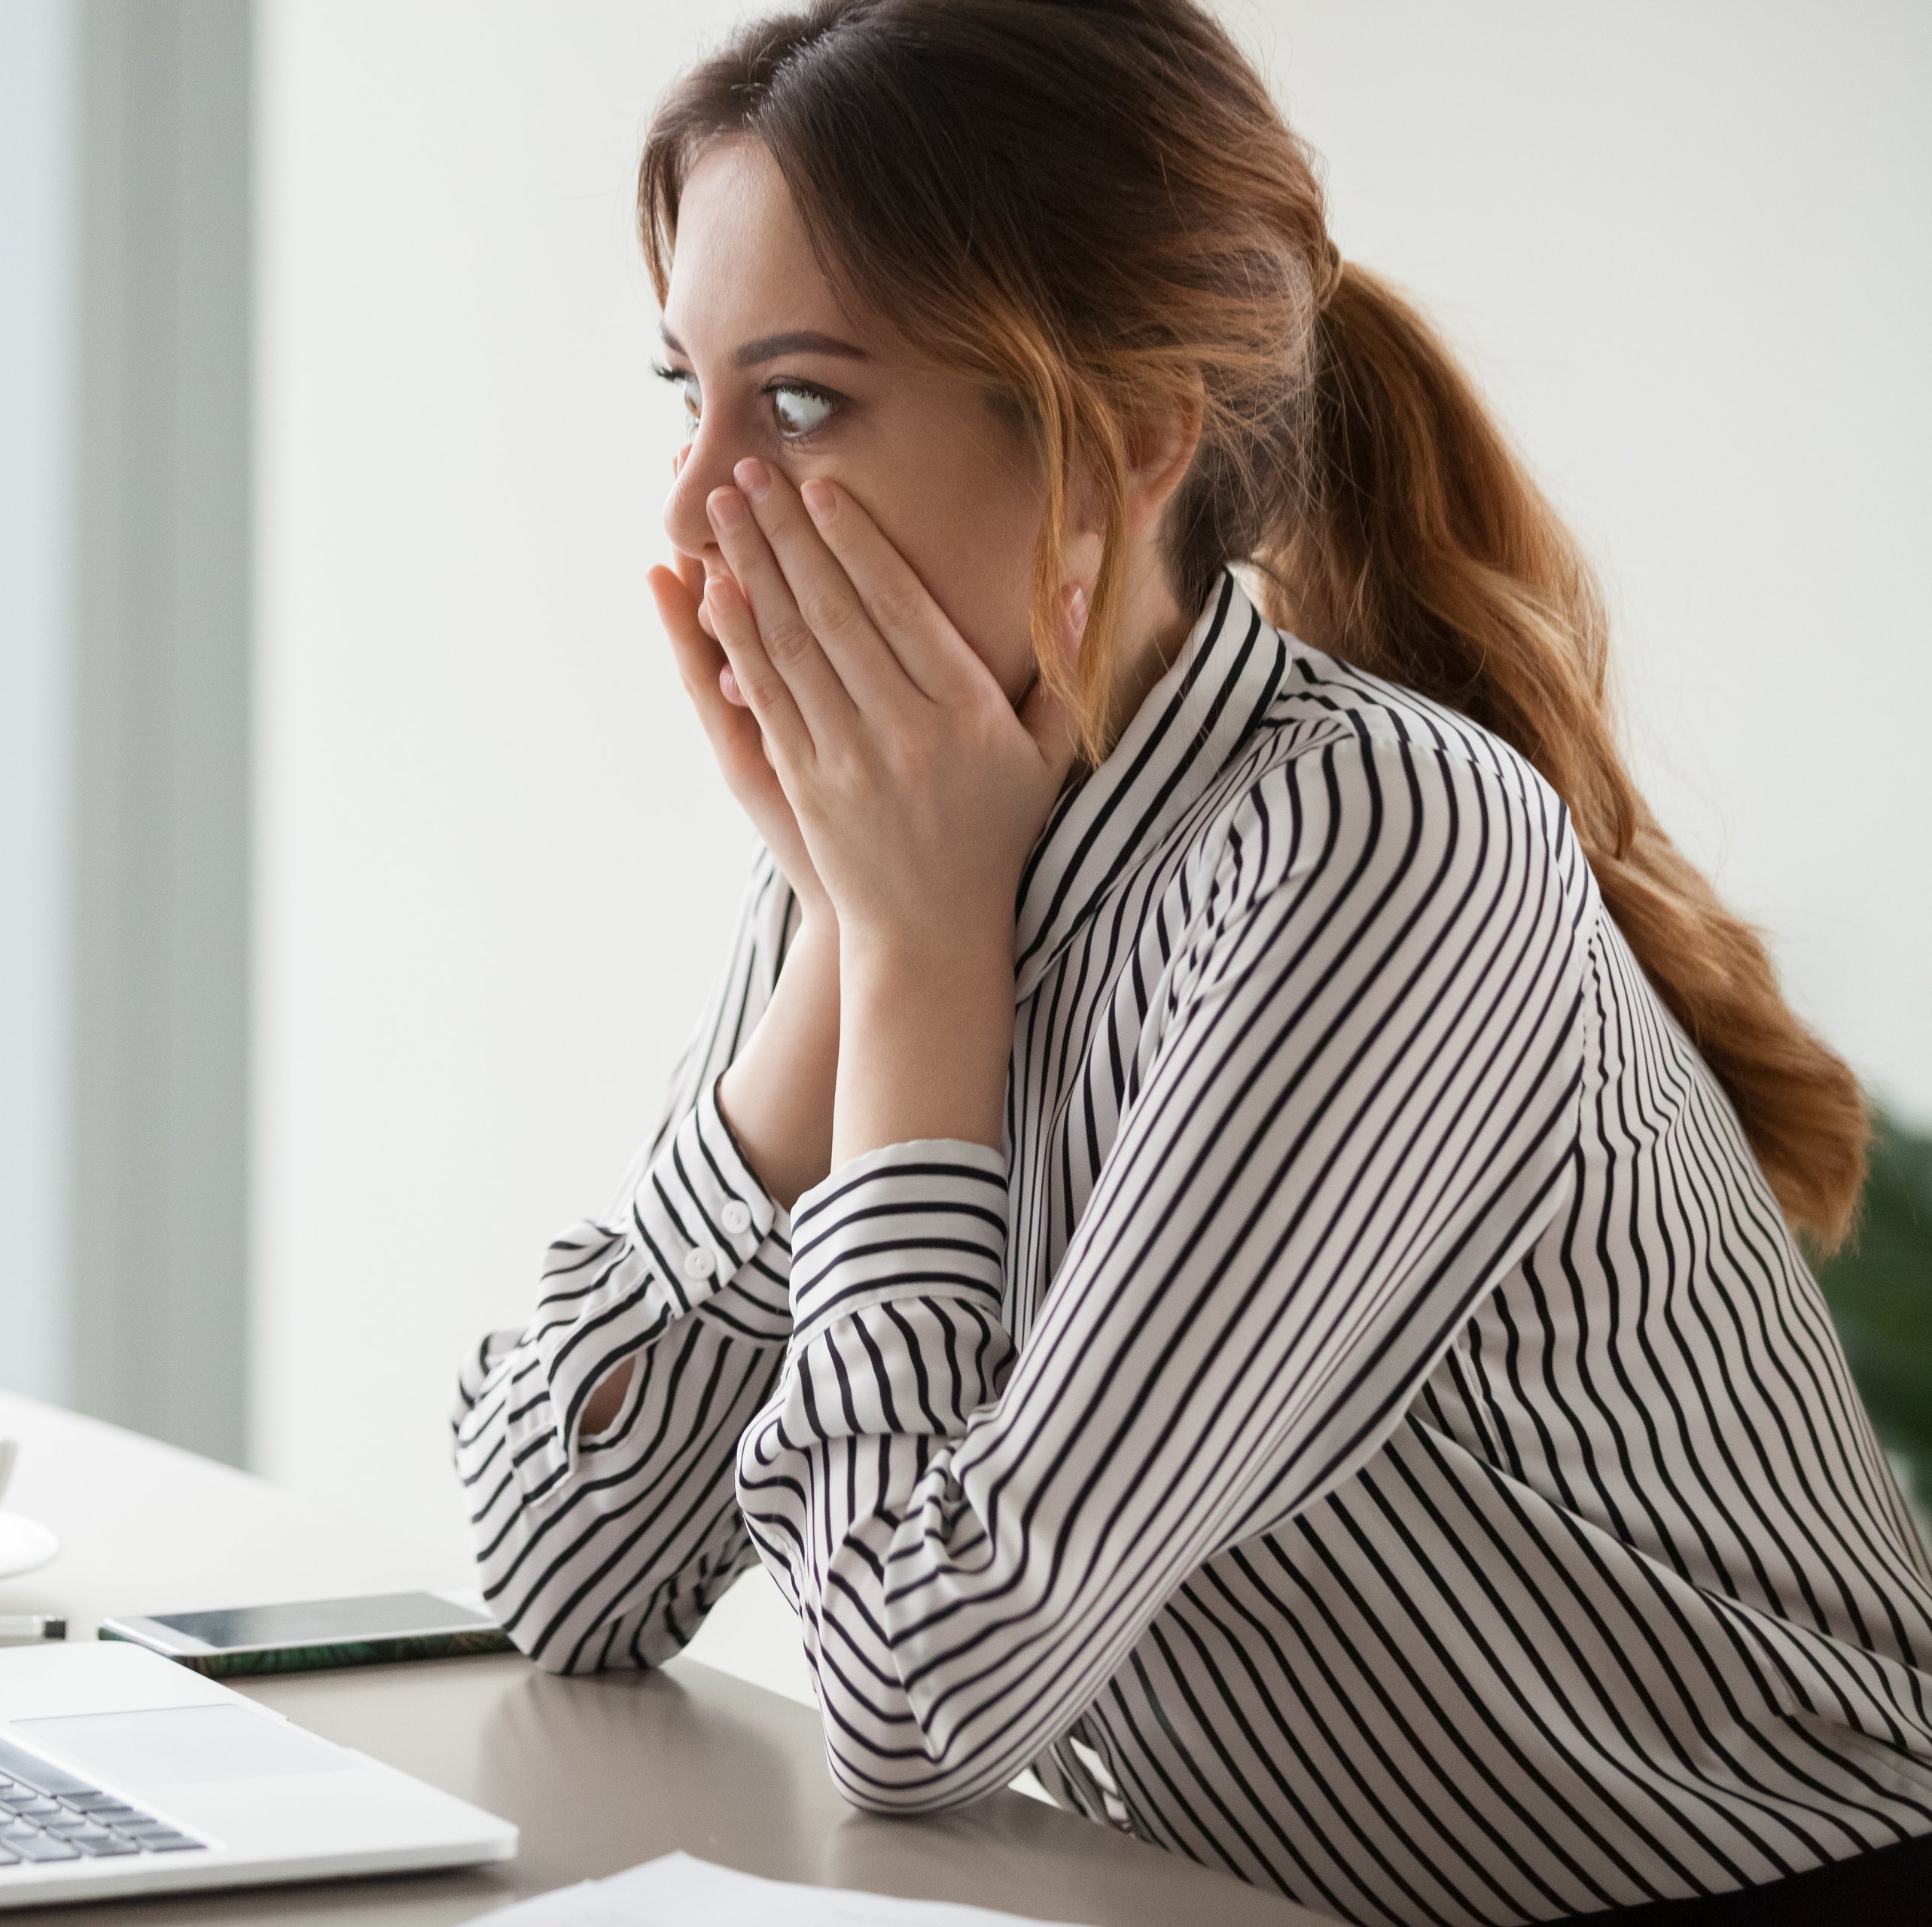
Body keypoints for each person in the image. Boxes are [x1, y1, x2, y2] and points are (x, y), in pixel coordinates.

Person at [448, 5, 1932, 1923]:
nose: (688, 503)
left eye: (800, 402)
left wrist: (903, 950)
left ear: (1123, 439)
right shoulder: (921, 834)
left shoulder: (1379, 851)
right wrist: (844, 934)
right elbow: (560, 1570)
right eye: (687, 392)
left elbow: (916, 1683)